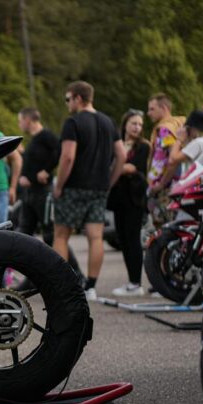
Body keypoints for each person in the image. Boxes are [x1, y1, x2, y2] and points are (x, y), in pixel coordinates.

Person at [53, 81, 127, 301]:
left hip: (74, 186)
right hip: (99, 187)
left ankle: (60, 285)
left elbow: (67, 157)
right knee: (95, 237)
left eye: (68, 99)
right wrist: (110, 181)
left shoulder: (73, 122)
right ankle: (91, 287)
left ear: (77, 98)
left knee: (61, 235)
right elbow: (121, 155)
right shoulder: (108, 122)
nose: (67, 104)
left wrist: (58, 185)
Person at [107, 110, 151, 297]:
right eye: (134, 123)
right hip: (118, 199)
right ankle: (131, 282)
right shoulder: (116, 144)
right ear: (125, 124)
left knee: (133, 240)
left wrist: (118, 168)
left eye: (140, 124)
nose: (137, 127)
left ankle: (136, 283)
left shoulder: (143, 146)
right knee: (123, 239)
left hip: (135, 198)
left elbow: (133, 167)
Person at [149, 110, 203, 196]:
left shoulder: (198, 142)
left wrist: (179, 139)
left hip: (192, 185)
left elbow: (173, 159)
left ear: (192, 128)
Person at [15, 107, 60, 244]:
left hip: (42, 193)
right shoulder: (33, 140)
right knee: (24, 233)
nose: (19, 124)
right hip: (29, 194)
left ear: (28, 120)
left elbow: (61, 151)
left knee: (50, 234)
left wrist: (47, 171)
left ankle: (70, 266)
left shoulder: (46, 135)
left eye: (20, 121)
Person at [145, 93, 185, 228]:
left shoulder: (165, 129)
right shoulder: (178, 124)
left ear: (163, 108)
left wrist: (161, 184)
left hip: (165, 189)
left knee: (164, 229)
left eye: (152, 109)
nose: (148, 113)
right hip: (178, 184)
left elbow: (173, 159)